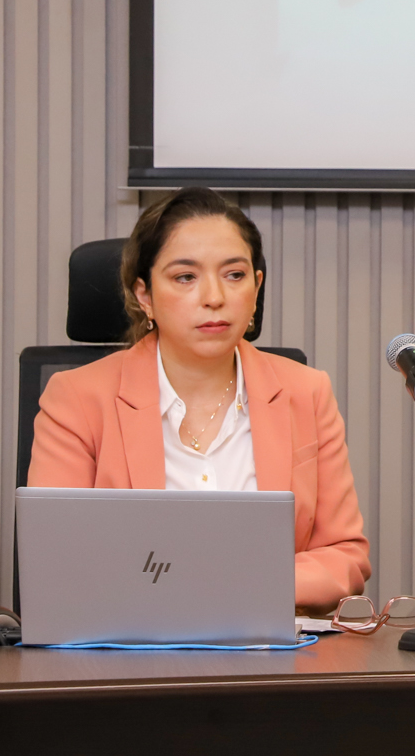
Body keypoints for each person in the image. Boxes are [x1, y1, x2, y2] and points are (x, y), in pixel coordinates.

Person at [28, 188, 371, 614]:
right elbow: (59, 561)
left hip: (272, 660)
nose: (214, 296)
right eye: (185, 277)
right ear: (145, 295)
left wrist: (242, 584)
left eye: (234, 275)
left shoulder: (307, 392)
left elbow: (345, 556)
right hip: (130, 658)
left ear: (256, 287)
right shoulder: (77, 400)